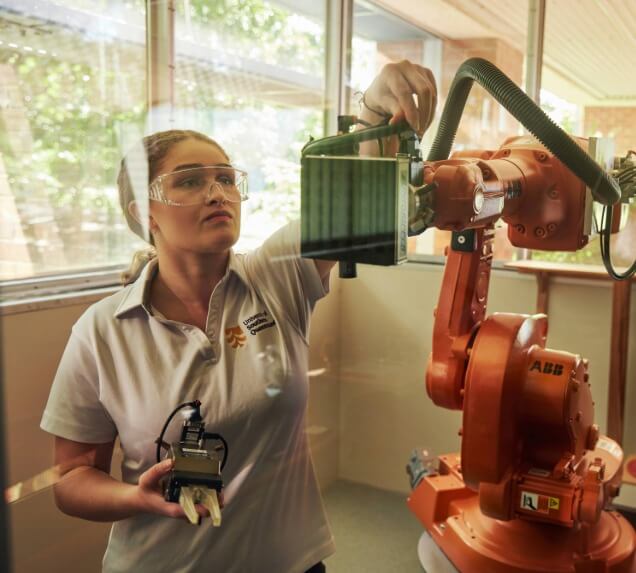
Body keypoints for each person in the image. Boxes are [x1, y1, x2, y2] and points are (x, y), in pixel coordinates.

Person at [40, 60, 437, 573]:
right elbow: (72, 479)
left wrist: (372, 112)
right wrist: (136, 499)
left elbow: (351, 208)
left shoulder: (275, 278)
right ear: (144, 212)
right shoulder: (102, 331)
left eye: (226, 179)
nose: (217, 193)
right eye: (189, 182)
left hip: (289, 562)